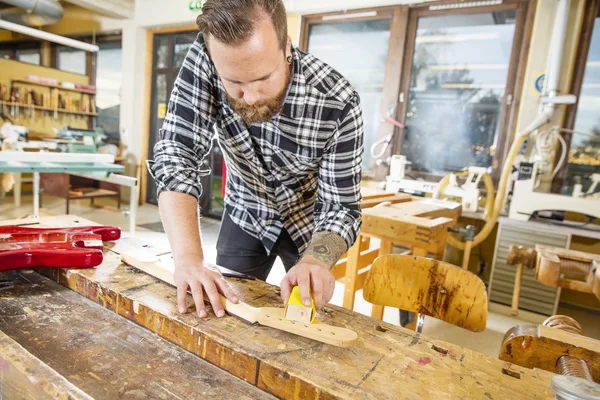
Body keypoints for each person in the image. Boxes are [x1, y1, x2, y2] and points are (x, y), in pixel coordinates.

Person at [148, 0, 364, 319]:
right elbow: (177, 153)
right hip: (246, 213)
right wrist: (188, 258)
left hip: (308, 225)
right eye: (234, 82)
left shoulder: (338, 101)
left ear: (286, 48)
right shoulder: (207, 57)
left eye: (263, 78)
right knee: (222, 311)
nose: (249, 97)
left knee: (305, 320)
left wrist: (316, 262)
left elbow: (340, 207)